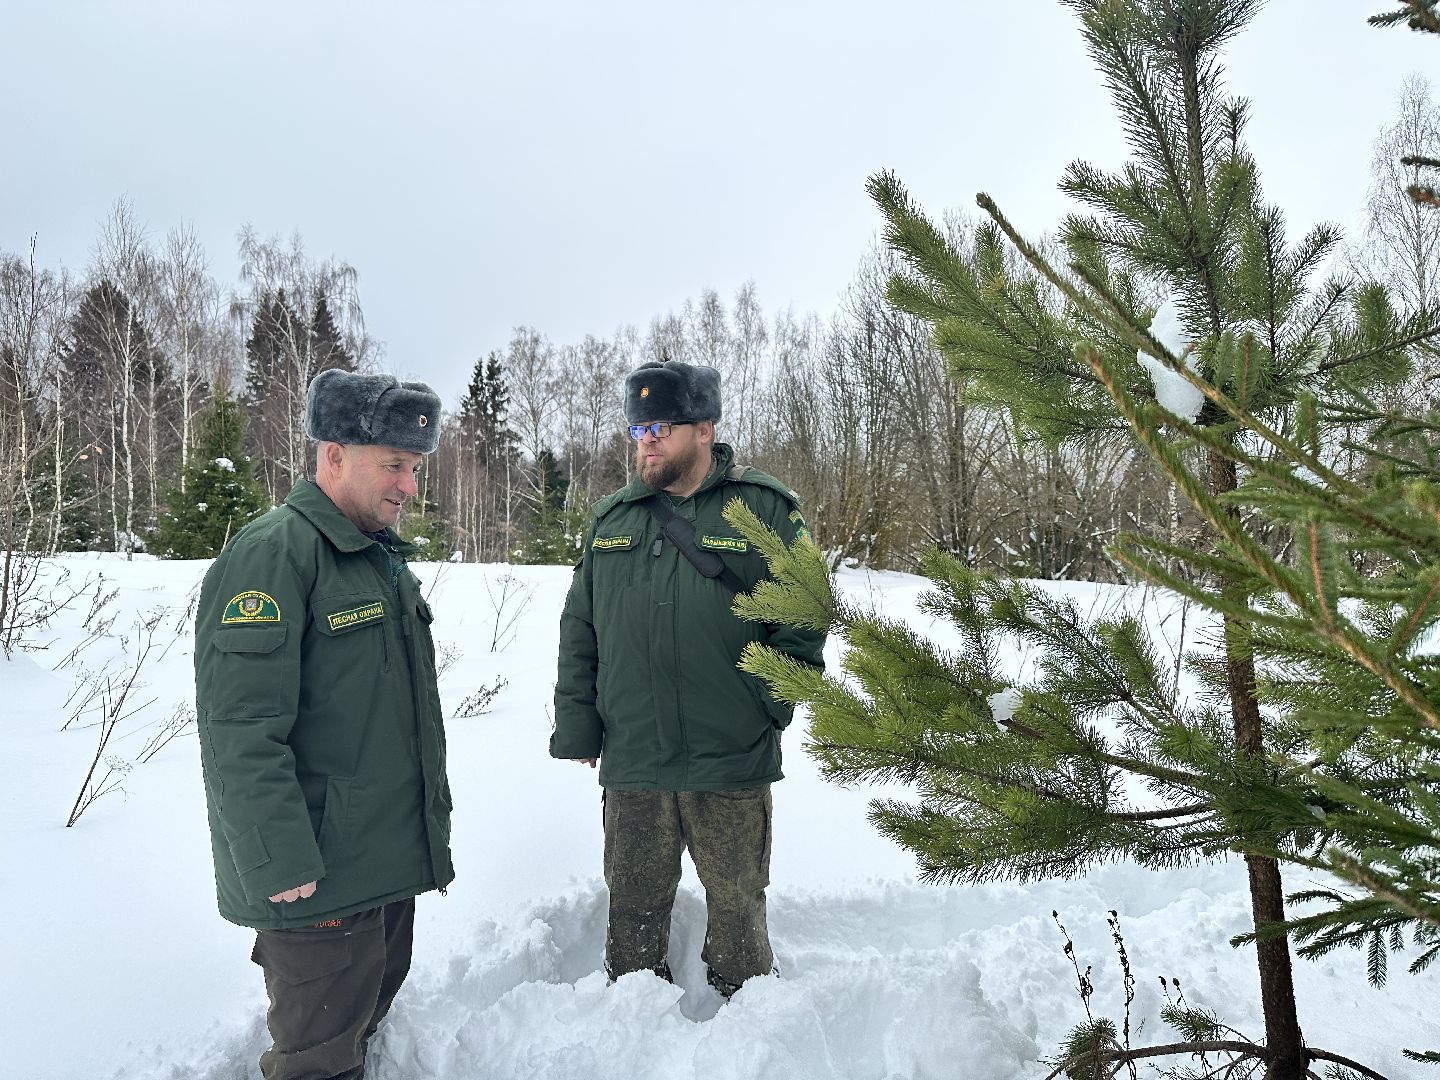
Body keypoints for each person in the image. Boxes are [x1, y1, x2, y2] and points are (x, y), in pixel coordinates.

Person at [194, 368, 454, 1080]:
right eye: (393, 464)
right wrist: (276, 857)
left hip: (379, 863)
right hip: (314, 878)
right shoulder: (274, 554)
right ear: (334, 454)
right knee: (318, 1061)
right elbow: (240, 728)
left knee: (361, 1027)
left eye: (415, 466)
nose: (408, 484)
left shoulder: (376, 559)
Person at [551, 358, 827, 998]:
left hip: (728, 754)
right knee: (635, 901)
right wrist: (579, 726)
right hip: (636, 754)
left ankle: (749, 1013)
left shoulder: (764, 511)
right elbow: (580, 629)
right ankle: (633, 1013)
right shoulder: (612, 521)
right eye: (638, 427)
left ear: (704, 429)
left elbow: (806, 618)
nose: (646, 440)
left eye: (661, 427)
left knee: (737, 904)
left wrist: (763, 709)